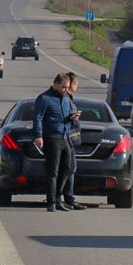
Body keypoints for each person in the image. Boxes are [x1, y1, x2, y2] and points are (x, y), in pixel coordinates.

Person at [33, 73, 79, 212]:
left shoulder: (66, 99)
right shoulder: (44, 98)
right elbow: (38, 118)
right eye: (63, 87)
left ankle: (59, 197)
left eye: (67, 87)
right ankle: (51, 201)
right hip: (52, 138)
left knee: (66, 169)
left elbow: (68, 115)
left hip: (66, 137)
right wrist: (38, 135)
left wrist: (73, 118)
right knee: (52, 172)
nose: (66, 90)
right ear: (56, 84)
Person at [57, 72, 86, 210]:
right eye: (76, 84)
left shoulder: (67, 98)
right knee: (69, 169)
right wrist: (72, 118)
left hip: (69, 138)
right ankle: (67, 198)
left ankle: (65, 197)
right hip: (66, 138)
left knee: (69, 169)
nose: (76, 87)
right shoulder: (66, 99)